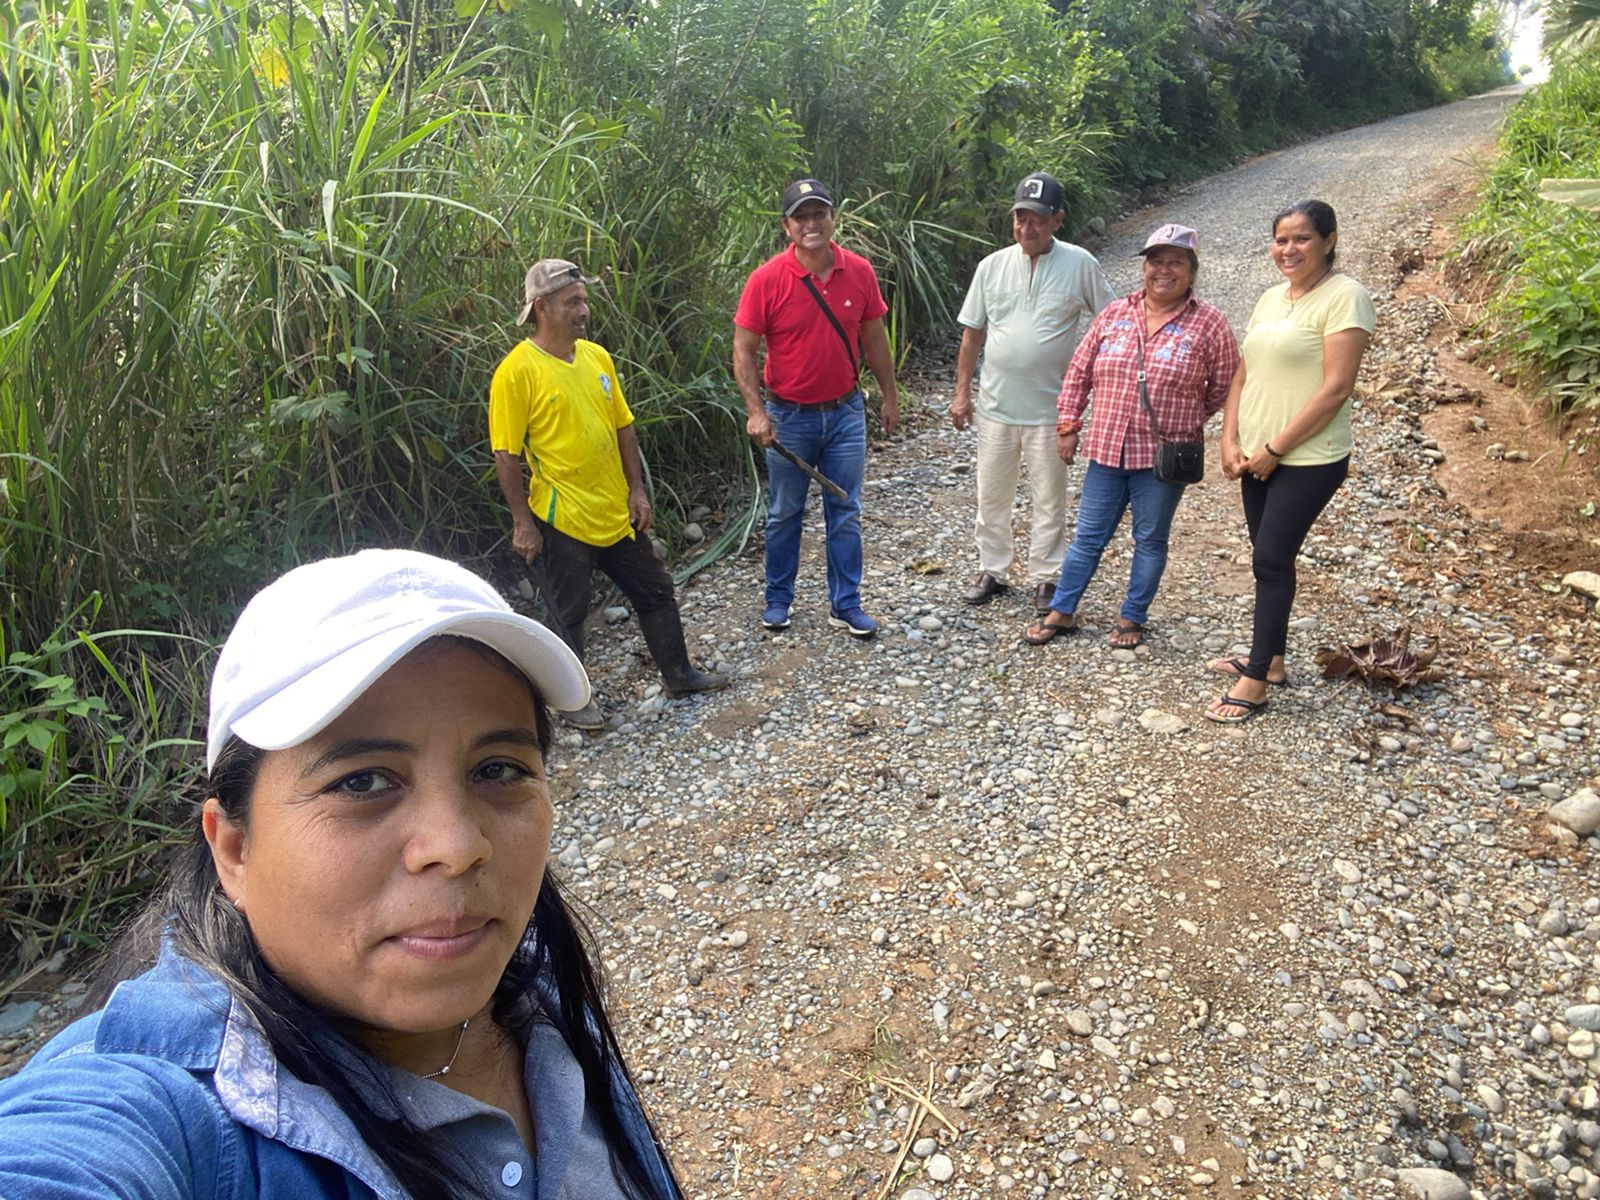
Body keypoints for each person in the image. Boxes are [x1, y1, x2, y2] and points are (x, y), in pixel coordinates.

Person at [0, 549, 684, 1199]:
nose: (456, 846)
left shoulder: (534, 986)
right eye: (362, 781)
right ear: (233, 849)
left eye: (498, 769)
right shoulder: (163, 1111)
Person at [492, 258, 727, 731]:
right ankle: (571, 702)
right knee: (569, 612)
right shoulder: (517, 372)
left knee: (655, 590)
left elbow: (624, 427)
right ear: (542, 308)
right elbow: (506, 454)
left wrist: (637, 490)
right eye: (572, 302)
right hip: (562, 515)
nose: (584, 310)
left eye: (584, 300)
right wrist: (522, 523)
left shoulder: (597, 358)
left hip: (615, 509)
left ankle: (679, 674)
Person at [1025, 224, 1240, 649]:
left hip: (1164, 458)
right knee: (1088, 536)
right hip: (1107, 449)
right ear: (1144, 268)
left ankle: (1132, 617)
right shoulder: (1115, 313)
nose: (1164, 270)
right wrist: (1068, 425)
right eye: (1156, 261)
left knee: (1150, 539)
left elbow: (1226, 384)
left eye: (1176, 262)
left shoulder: (1209, 322)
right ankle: (1062, 611)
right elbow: (1078, 374)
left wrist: (1188, 417)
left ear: (1192, 271)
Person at [1205, 200, 1375, 723]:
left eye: (1301, 238)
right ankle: (1272, 660)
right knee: (1268, 558)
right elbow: (1244, 372)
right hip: (1256, 454)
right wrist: (1229, 437)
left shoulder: (1345, 297)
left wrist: (1276, 449)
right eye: (1281, 240)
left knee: (1271, 559)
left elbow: (1336, 389)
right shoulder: (1270, 298)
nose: (1289, 249)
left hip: (1308, 457)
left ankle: (1255, 681)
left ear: (1329, 240)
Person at [734, 177, 900, 638]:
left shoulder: (859, 272)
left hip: (845, 413)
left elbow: (874, 339)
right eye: (801, 217)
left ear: (833, 218)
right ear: (786, 226)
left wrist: (889, 395)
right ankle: (778, 601)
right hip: (788, 416)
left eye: (819, 214)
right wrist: (756, 411)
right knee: (785, 512)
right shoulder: (766, 280)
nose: (811, 224)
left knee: (845, 510)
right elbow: (743, 349)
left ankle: (846, 604)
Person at [953, 171, 1116, 614]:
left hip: (1052, 409)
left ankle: (1047, 576)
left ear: (1058, 220)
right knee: (991, 493)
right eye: (1021, 217)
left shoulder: (1080, 264)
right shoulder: (991, 266)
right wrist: (962, 393)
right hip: (996, 406)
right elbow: (972, 334)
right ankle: (992, 568)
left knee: (1049, 497)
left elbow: (1110, 322)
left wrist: (1095, 385)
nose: (1028, 227)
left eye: (1038, 219)